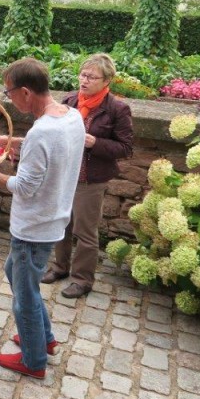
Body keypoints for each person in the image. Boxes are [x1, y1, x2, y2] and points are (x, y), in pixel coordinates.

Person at [0, 58, 84, 379]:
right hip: (54, 218)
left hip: (34, 226)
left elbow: (24, 187)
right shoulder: (71, 117)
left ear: (26, 92)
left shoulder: (42, 131)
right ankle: (43, 339)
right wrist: (5, 141)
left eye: (10, 93)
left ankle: (33, 360)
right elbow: (50, 149)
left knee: (25, 295)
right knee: (15, 273)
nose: (10, 99)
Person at [43, 53, 134, 299]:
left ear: (107, 81)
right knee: (61, 223)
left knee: (85, 232)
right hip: (65, 174)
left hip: (90, 179)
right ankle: (60, 267)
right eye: (83, 74)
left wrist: (95, 143)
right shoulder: (70, 101)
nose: (84, 80)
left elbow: (126, 148)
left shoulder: (117, 109)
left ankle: (82, 280)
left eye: (92, 77)